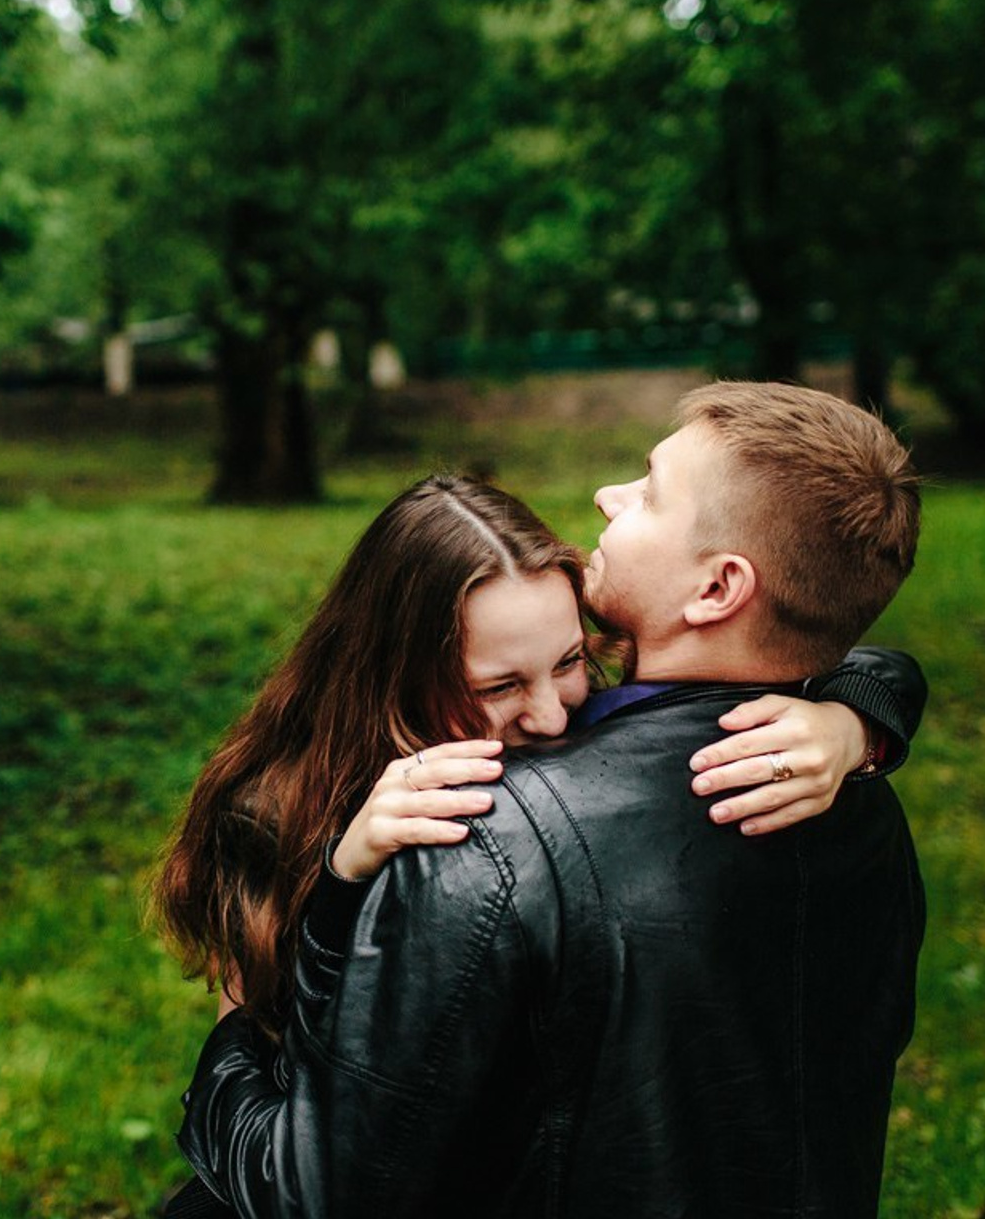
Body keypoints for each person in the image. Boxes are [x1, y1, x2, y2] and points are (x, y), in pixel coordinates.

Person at [174, 382, 926, 1218]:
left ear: (717, 589)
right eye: (499, 682)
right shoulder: (858, 807)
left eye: (649, 491)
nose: (607, 496)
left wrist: (232, 1039)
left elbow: (322, 1189)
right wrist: (863, 717)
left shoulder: (489, 840)